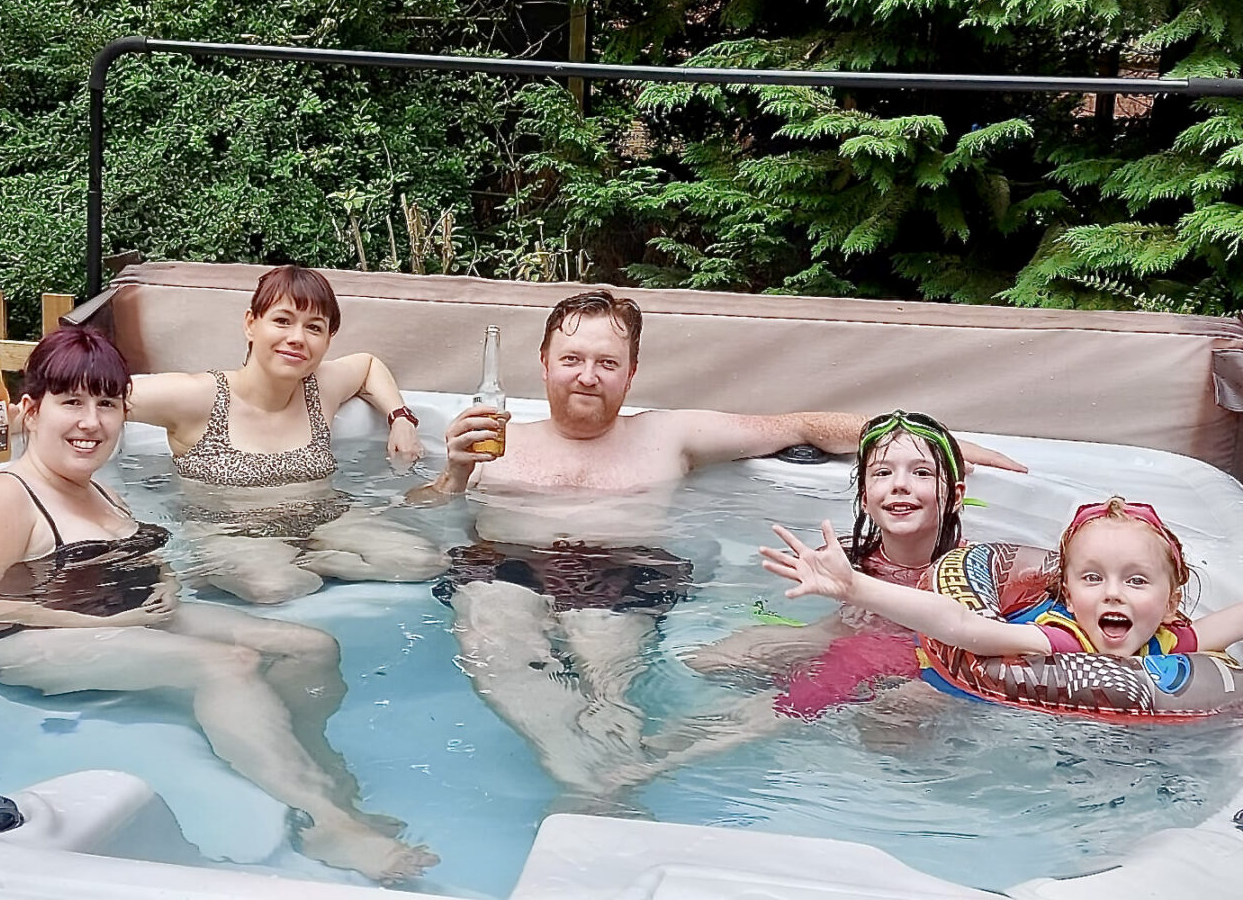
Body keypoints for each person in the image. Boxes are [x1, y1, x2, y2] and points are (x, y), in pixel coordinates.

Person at [416, 290, 1024, 798]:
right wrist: (453, 476)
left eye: (607, 362)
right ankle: (580, 773)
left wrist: (943, 445)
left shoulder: (668, 434)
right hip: (506, 570)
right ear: (544, 362)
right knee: (498, 642)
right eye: (572, 358)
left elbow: (803, 427)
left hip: (621, 576)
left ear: (630, 373)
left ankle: (602, 781)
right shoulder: (492, 440)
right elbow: (423, 514)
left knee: (607, 683)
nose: (587, 375)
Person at [0, 325, 437, 883]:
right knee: (225, 664)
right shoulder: (4, 495)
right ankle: (325, 820)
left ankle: (311, 768)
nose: (90, 422)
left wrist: (164, 582)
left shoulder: (97, 487)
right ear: (30, 410)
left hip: (121, 614)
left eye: (106, 404)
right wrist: (89, 620)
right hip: (26, 640)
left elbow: (143, 555)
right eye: (71, 402)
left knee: (309, 646)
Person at [0, 265, 445, 602]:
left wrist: (400, 416)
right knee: (274, 587)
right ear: (250, 325)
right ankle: (304, 564)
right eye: (282, 320)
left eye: (313, 327)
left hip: (327, 517)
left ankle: (316, 557)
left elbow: (368, 366)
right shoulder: (197, 398)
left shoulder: (322, 387)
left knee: (421, 562)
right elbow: (86, 392)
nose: (297, 337)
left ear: (326, 341)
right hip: (230, 529)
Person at [687, 410, 967, 718]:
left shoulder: (972, 569)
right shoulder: (848, 554)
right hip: (838, 635)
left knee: (892, 717)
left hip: (920, 660)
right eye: (882, 473)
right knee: (710, 659)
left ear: (955, 497)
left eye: (922, 473)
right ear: (864, 496)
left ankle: (671, 754)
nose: (900, 485)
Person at [761, 497, 1243, 661]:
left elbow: (1229, 623)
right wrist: (856, 587)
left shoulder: (1168, 643)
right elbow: (963, 628)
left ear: (1172, 600)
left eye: (1136, 582)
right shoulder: (1061, 640)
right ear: (1069, 596)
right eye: (1093, 578)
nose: (1113, 592)